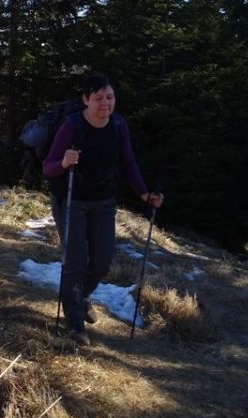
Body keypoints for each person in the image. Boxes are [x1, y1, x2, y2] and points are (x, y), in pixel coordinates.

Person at [42, 73, 163, 346]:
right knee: (74, 261)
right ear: (86, 100)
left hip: (104, 202)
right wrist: (63, 162)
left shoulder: (119, 126)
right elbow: (47, 167)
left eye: (109, 97)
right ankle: (74, 324)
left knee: (102, 261)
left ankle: (80, 297)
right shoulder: (72, 127)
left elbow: (128, 161)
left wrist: (144, 194)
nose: (105, 103)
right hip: (70, 201)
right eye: (98, 98)